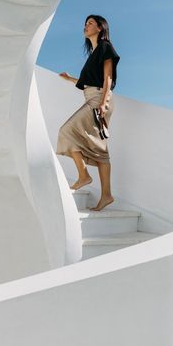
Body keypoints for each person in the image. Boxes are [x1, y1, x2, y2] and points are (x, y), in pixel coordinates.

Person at [56, 15, 120, 211]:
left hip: (100, 98)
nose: (86, 26)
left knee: (66, 130)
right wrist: (68, 79)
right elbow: (90, 80)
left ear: (100, 28)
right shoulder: (93, 54)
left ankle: (84, 176)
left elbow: (107, 78)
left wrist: (104, 103)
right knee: (100, 148)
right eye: (85, 23)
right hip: (93, 96)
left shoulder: (105, 47)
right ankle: (107, 195)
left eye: (90, 23)